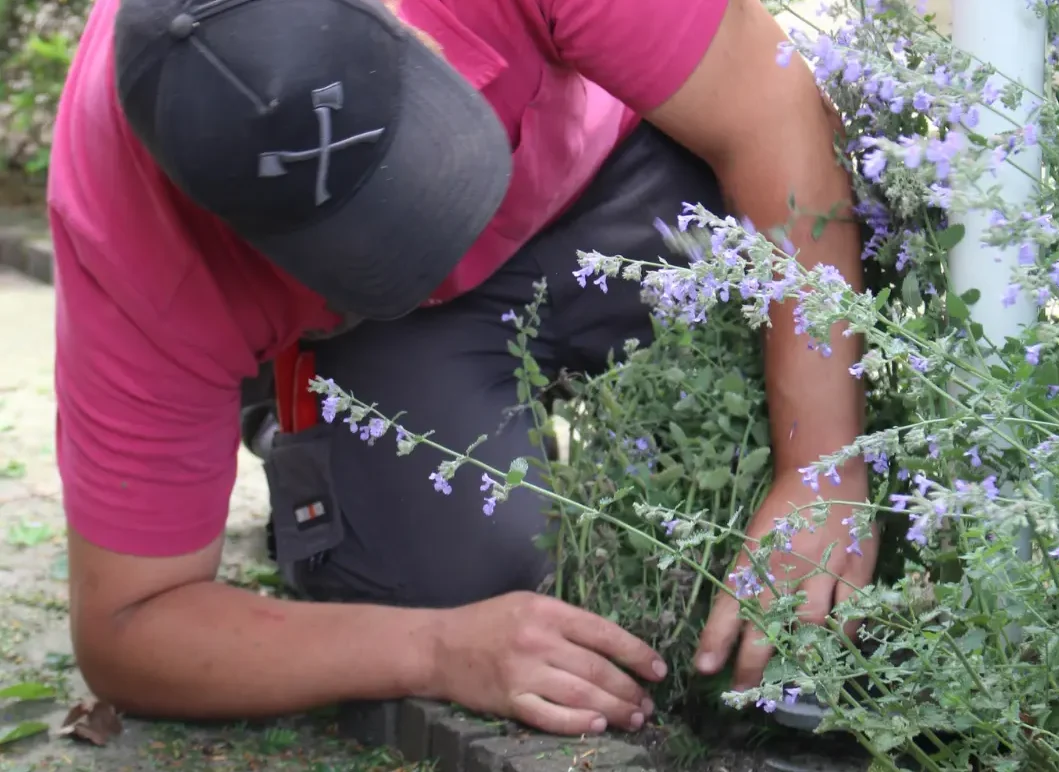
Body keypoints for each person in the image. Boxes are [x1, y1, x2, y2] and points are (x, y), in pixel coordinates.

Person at [48, 0, 877, 740]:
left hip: (613, 171)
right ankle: (298, 425)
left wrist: (820, 466)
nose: (429, 249)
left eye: (421, 173)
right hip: (392, 336)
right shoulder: (127, 234)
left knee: (807, 302)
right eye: (359, 246)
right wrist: (434, 650)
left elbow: (775, 112)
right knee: (457, 578)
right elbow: (128, 627)